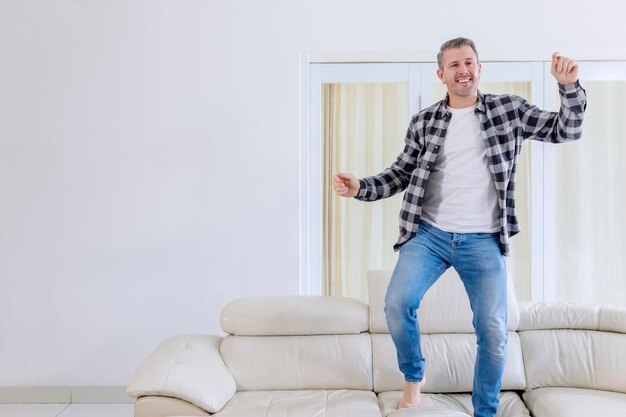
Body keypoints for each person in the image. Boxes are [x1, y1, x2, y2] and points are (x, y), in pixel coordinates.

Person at [332, 37, 586, 417]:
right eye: (454, 65)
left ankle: (485, 411)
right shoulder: (425, 121)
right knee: (397, 303)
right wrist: (361, 188)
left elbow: (564, 130)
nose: (463, 69)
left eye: (469, 62)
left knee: (494, 331)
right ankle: (413, 380)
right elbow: (401, 173)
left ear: (479, 68)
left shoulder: (508, 110)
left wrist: (568, 87)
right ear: (441, 74)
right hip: (429, 235)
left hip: (483, 239)